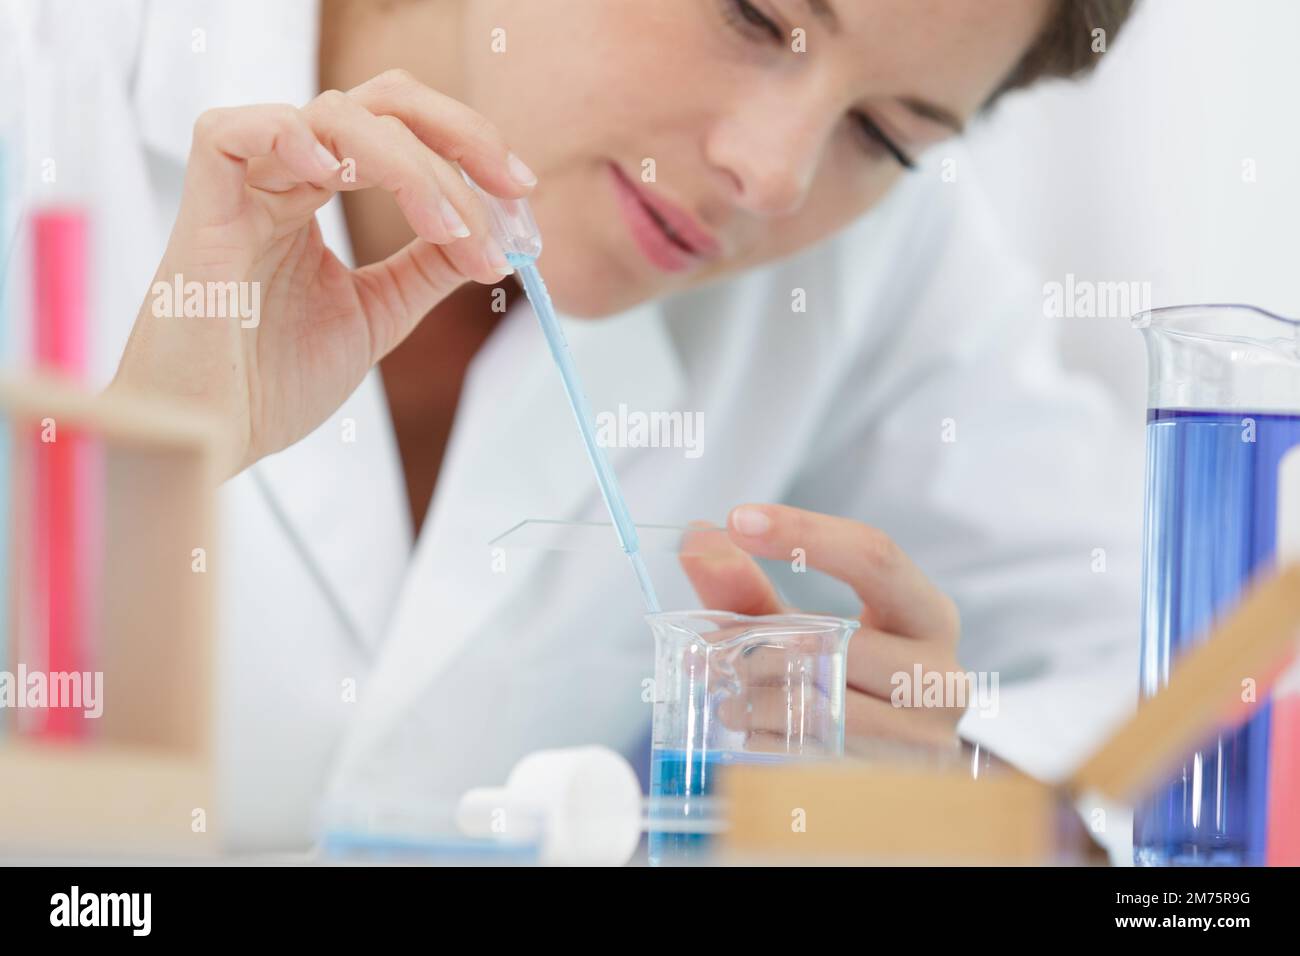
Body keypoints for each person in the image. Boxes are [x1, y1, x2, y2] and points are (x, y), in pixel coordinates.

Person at [9, 0, 1140, 852]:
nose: (772, 173)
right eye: (755, 14)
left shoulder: (878, 263)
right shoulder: (46, 75)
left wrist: (956, 791)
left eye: (885, 134)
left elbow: (1159, 690)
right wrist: (132, 484)